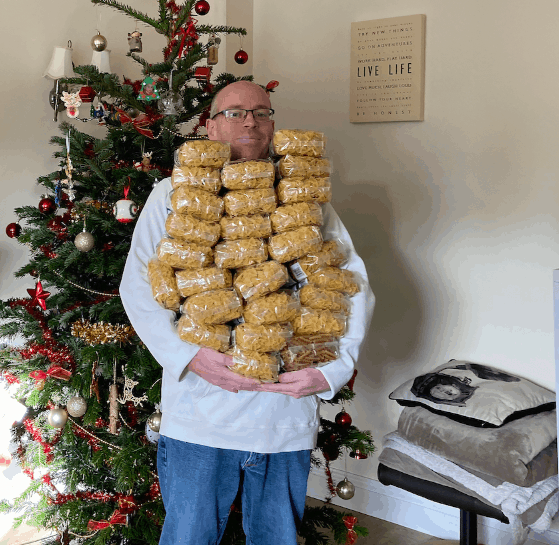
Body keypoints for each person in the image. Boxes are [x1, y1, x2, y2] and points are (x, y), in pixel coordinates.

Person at [120, 80, 375, 545]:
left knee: (276, 538)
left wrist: (333, 370)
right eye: (235, 112)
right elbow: (137, 285)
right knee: (188, 537)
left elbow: (353, 284)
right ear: (209, 126)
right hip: (201, 414)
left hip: (283, 416)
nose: (251, 121)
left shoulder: (304, 198)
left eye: (261, 111)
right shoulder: (172, 195)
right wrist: (188, 356)